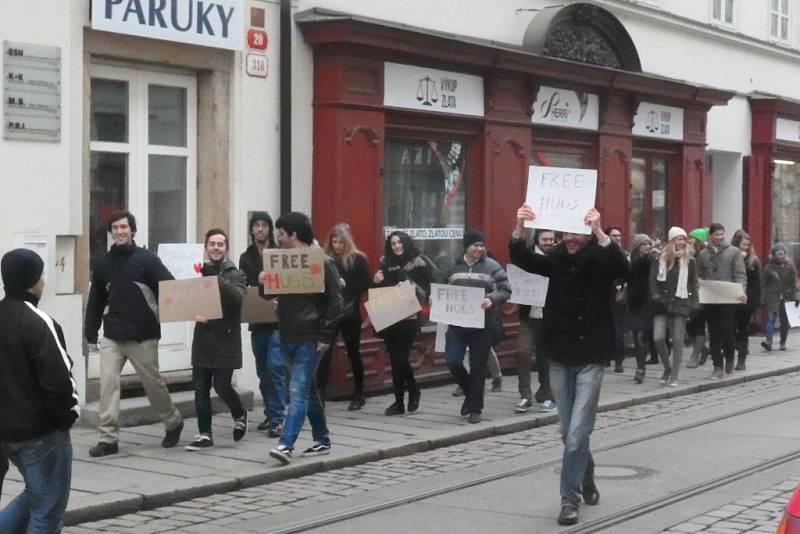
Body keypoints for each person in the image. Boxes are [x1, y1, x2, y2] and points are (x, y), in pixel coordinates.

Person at [510, 204, 628, 526]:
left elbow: (624, 269)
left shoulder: (601, 257)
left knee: (577, 433)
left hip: (590, 356)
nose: (572, 239)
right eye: (567, 233)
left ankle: (569, 500)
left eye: (578, 232)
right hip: (559, 354)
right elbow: (522, 259)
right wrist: (521, 226)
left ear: (587, 232)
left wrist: (603, 233)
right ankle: (586, 476)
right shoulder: (556, 259)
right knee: (567, 432)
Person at [84, 210, 183, 457]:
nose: (119, 231)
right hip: (113, 335)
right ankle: (108, 438)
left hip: (143, 334)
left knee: (154, 385)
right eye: (115, 228)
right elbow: (96, 300)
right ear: (111, 232)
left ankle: (173, 422)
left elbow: (169, 288)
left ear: (133, 230)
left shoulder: (146, 259)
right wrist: (90, 333)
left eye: (124, 227)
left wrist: (183, 310)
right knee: (108, 385)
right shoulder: (103, 263)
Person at [0, 249, 79, 532]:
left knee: (37, 494)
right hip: (40, 432)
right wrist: (67, 416)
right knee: (48, 509)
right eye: (41, 275)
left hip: (6, 431)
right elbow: (59, 380)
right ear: (33, 281)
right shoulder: (38, 322)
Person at [259, 212, 342, 465]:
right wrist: (263, 283)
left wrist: (325, 336)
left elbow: (335, 302)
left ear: (293, 234)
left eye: (281, 234)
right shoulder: (282, 261)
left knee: (297, 393)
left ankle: (286, 444)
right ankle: (322, 438)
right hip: (287, 333)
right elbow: (269, 294)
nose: (278, 239)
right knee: (307, 390)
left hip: (310, 336)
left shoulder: (323, 262)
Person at [185, 229, 248, 451]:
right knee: (200, 387)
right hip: (203, 337)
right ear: (206, 247)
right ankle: (204, 434)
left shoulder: (236, 274)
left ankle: (240, 412)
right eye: (212, 243)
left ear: (226, 248)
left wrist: (215, 279)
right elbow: (186, 297)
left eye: (220, 244)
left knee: (221, 386)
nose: (216, 247)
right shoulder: (196, 270)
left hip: (226, 339)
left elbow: (236, 301)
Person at [440, 229, 511, 424]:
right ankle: (470, 393)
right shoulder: (452, 267)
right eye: (476, 245)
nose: (480, 249)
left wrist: (491, 299)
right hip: (457, 324)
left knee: (478, 366)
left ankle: (475, 409)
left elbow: (506, 290)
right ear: (466, 246)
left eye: (482, 245)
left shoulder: (492, 266)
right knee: (453, 360)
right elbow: (440, 286)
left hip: (482, 325)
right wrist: (436, 299)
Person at [372, 231, 433, 416]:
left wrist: (405, 279)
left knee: (400, 359)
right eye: (393, 243)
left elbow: (426, 289)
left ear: (406, 243)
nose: (396, 246)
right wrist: (376, 282)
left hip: (410, 316)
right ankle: (399, 402)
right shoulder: (385, 262)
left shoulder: (419, 262)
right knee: (395, 360)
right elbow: (381, 291)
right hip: (390, 314)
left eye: (399, 243)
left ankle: (413, 389)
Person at [239, 211, 285, 436]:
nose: (260, 229)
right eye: (256, 226)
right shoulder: (246, 257)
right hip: (258, 320)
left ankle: (278, 418)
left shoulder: (279, 253)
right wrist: (255, 279)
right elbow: (243, 287)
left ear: (269, 229)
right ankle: (270, 412)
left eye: (264, 226)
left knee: (275, 366)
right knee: (263, 370)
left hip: (278, 319)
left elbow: (289, 280)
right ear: (251, 230)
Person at [318, 223, 371, 411]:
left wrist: (345, 284)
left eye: (341, 242)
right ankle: (320, 395)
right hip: (330, 314)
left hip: (350, 313)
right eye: (334, 242)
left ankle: (359, 392)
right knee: (324, 354)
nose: (337, 246)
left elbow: (366, 285)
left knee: (353, 352)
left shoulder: (357, 259)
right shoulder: (325, 259)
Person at [696, 223, 747, 379]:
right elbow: (698, 274)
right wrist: (699, 284)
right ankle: (717, 366)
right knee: (714, 332)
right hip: (710, 298)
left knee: (727, 330)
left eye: (721, 234)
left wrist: (741, 291)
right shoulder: (703, 254)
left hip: (728, 297)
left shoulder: (733, 252)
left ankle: (730, 356)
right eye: (716, 234)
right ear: (710, 236)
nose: (719, 237)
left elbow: (740, 274)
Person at [650, 227, 699, 386]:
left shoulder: (689, 260)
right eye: (679, 239)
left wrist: (695, 303)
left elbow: (693, 283)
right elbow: (652, 280)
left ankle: (675, 375)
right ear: (672, 241)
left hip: (681, 301)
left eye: (683, 239)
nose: (682, 242)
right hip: (662, 302)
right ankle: (667, 367)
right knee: (658, 337)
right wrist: (656, 295)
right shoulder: (660, 258)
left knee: (678, 339)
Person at [514, 229, 557, 413]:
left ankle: (547, 394)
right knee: (523, 352)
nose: (548, 242)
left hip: (549, 318)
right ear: (537, 239)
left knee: (545, 357)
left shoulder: (558, 258)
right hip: (528, 316)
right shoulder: (528, 257)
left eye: (551, 239)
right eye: (544, 239)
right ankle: (525, 395)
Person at [730, 230, 761, 370]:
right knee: (729, 328)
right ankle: (736, 347)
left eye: (748, 245)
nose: (746, 247)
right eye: (743, 244)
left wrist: (754, 302)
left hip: (746, 301)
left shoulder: (753, 261)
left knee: (743, 328)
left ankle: (741, 359)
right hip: (731, 299)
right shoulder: (730, 257)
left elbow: (756, 284)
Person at [626, 234, 654, 384]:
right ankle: (640, 365)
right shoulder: (631, 261)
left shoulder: (651, 261)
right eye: (644, 244)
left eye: (649, 244)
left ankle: (641, 369)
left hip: (647, 302)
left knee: (642, 336)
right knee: (637, 337)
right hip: (634, 302)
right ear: (637, 247)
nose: (647, 247)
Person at [761, 243, 798, 352]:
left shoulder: (790, 267)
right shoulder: (769, 267)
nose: (781, 256)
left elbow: (794, 282)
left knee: (784, 321)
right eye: (778, 254)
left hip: (787, 296)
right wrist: (763, 298)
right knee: (770, 319)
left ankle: (783, 342)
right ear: (774, 255)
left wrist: (795, 296)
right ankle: (769, 341)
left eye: (782, 253)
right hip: (772, 296)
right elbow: (764, 283)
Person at [685, 227, 710, 368]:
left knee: (699, 323)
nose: (690, 239)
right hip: (687, 292)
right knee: (689, 325)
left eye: (693, 237)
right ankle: (702, 348)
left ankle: (694, 355)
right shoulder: (688, 252)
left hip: (702, 293)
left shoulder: (704, 254)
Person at [606, 227, 628, 373]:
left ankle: (619, 361)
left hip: (618, 295)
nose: (618, 238)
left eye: (619, 235)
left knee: (618, 329)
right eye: (614, 235)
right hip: (603, 295)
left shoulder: (624, 254)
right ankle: (606, 358)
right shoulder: (602, 253)